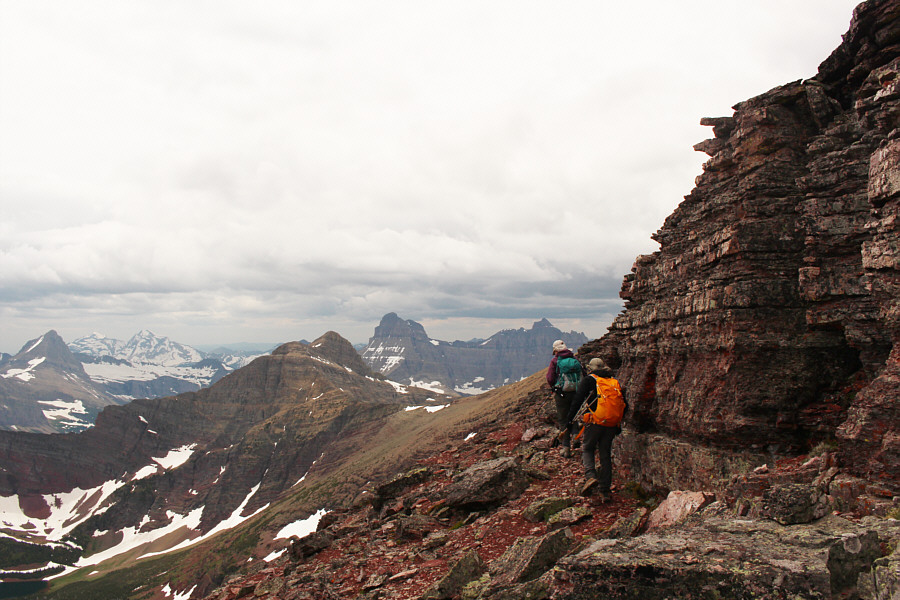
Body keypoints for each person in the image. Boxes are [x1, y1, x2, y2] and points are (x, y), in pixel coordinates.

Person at [566, 357, 627, 503]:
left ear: (591, 368)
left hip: (595, 422)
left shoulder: (589, 380)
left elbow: (578, 400)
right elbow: (624, 404)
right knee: (605, 454)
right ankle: (605, 491)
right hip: (611, 424)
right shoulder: (614, 382)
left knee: (587, 448)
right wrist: (617, 423)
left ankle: (591, 477)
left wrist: (569, 420)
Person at [545, 340, 583, 457]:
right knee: (574, 415)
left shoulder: (555, 361)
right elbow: (583, 373)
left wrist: (554, 388)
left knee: (563, 420)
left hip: (562, 394)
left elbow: (550, 378)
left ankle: (566, 448)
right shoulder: (575, 359)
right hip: (576, 392)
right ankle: (576, 437)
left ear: (556, 350)